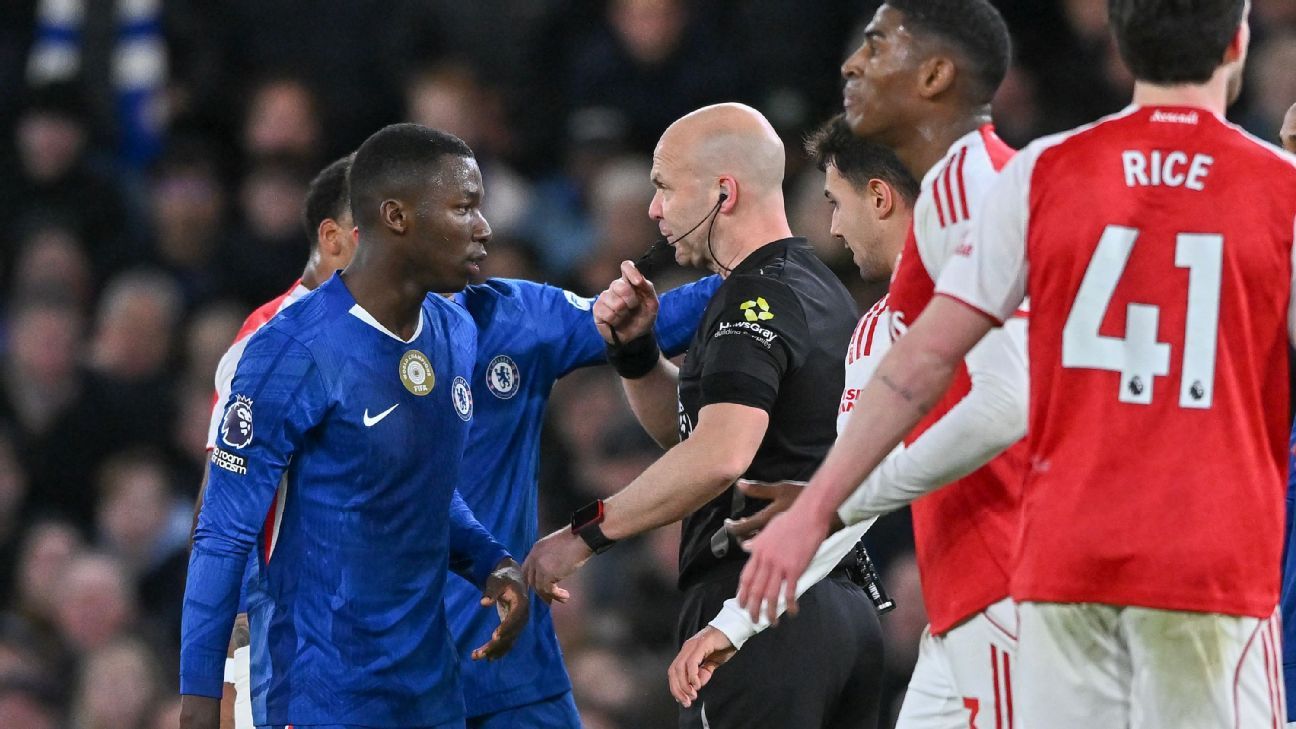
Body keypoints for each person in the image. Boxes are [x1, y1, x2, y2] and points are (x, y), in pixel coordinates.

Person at [742, 1, 1296, 727]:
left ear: (1121, 46)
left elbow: (920, 362)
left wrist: (819, 505)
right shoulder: (1277, 188)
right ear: (1237, 43)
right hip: (1208, 554)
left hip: (1066, 559)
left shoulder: (1042, 173)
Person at [201, 155, 723, 729]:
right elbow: (231, 512)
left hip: (512, 681)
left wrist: (767, 263)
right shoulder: (285, 347)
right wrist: (236, 645)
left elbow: (646, 318)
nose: (477, 229)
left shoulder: (511, 317)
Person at [688, 4, 1030, 727]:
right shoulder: (959, 212)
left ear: (934, 76)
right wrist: (742, 617)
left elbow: (1007, 404)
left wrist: (828, 503)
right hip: (970, 600)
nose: (852, 64)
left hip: (1022, 589)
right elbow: (857, 473)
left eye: (876, 46)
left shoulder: (986, 195)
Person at [523, 103, 884, 729]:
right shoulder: (813, 287)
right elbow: (691, 435)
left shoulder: (754, 297)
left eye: (665, 186)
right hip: (839, 607)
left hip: (762, 610)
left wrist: (583, 535)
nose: (653, 209)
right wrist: (637, 354)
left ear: (724, 192)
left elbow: (719, 454)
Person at [180, 123, 530, 729]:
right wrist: (198, 704)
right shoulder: (290, 350)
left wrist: (492, 562)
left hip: (430, 694)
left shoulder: (455, 331)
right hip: (318, 695)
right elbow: (222, 534)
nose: (484, 228)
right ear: (397, 217)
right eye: (464, 207)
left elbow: (418, 485)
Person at [665, 115, 921, 702]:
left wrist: (587, 534)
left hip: (1014, 589)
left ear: (878, 197)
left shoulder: (944, 312)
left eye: (835, 202)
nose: (833, 226)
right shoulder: (873, 323)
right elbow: (863, 483)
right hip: (895, 607)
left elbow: (724, 457)